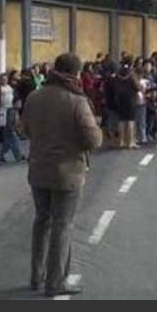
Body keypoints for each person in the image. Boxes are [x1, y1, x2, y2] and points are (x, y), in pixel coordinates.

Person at [22, 53, 102, 297]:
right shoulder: (77, 101)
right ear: (75, 74)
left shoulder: (34, 97)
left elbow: (25, 129)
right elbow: (93, 139)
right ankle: (55, 282)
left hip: (38, 169)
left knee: (42, 221)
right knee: (62, 225)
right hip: (67, 172)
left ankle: (37, 276)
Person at [0, 73, 24, 164]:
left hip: (10, 120)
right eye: (2, 79)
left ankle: (0, 157)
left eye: (6, 79)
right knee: (14, 141)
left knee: (7, 143)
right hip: (6, 121)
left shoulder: (10, 88)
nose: (4, 80)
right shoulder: (11, 111)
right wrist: (13, 129)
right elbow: (10, 122)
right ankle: (18, 156)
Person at [114, 64, 140, 149]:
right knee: (130, 121)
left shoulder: (118, 75)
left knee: (121, 120)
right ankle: (130, 142)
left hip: (121, 99)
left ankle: (121, 141)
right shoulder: (132, 75)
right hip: (131, 100)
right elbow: (137, 87)